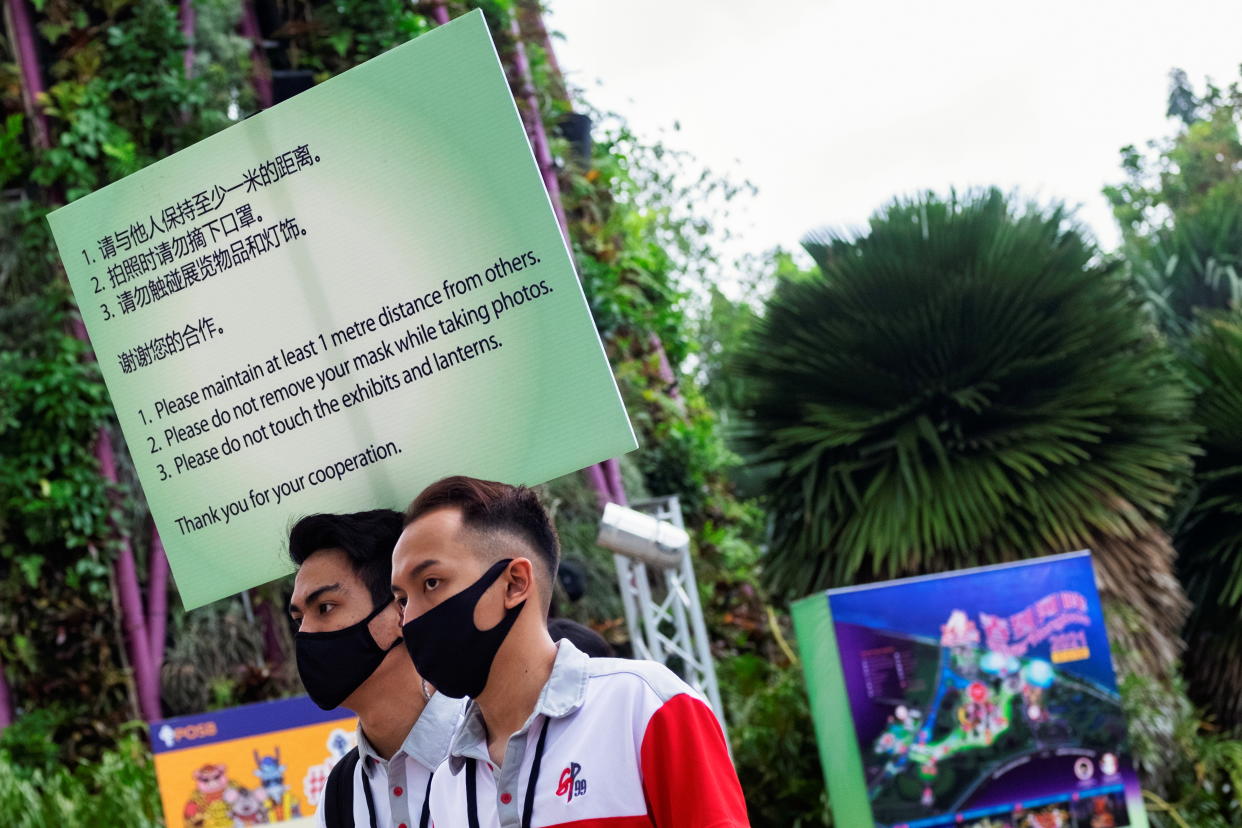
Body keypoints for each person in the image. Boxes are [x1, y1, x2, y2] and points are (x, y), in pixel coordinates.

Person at [391, 476, 750, 828]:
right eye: (402, 600)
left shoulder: (644, 707)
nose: (409, 619)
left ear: (515, 583)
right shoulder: (447, 789)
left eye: (432, 583)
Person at [287, 509, 462, 828]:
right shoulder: (340, 796)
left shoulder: (488, 747)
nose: (305, 634)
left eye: (325, 608)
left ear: (401, 611)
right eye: (299, 620)